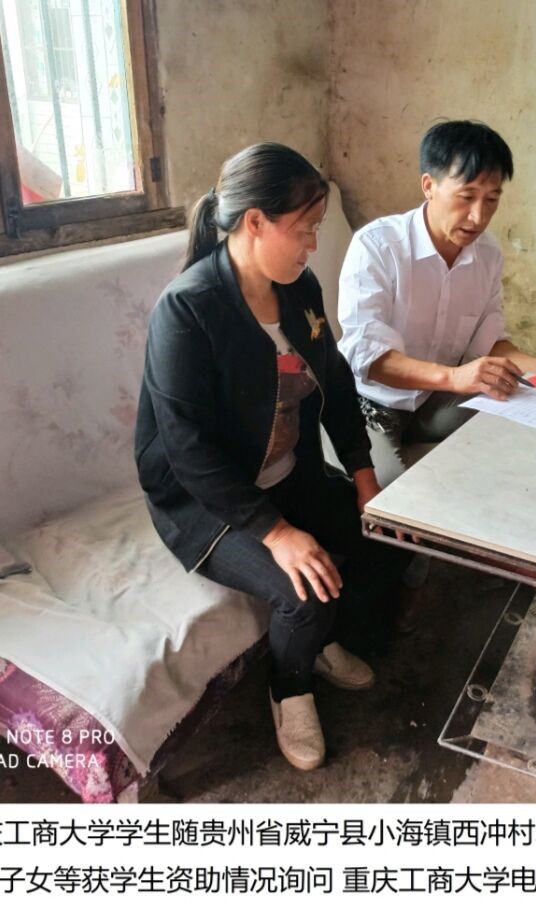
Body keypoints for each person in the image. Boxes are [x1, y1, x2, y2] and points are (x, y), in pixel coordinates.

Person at [135, 142, 408, 771]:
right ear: (255, 222)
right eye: (305, 228)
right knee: (304, 592)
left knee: (385, 537)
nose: (313, 244)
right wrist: (277, 533)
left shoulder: (298, 287)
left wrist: (364, 476)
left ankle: (318, 642)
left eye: (317, 228)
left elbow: (334, 381)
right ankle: (290, 686)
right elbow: (187, 450)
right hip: (209, 503)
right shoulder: (188, 309)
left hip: (288, 474)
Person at [336, 120, 536, 627]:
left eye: (492, 200)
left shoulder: (486, 255)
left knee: (526, 408)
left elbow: (491, 341)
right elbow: (370, 358)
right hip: (371, 403)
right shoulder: (378, 246)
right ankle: (405, 590)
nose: (478, 216)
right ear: (428, 186)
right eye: (466, 196)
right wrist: (455, 379)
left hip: (434, 400)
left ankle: (502, 546)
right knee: (400, 500)